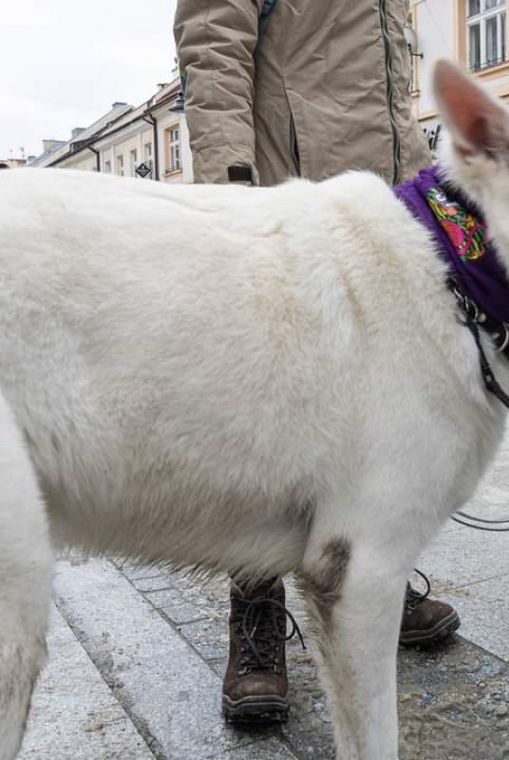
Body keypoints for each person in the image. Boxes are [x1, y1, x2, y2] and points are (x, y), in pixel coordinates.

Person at [173, 0, 460, 725]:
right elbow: (213, 39)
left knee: (381, 412)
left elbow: (389, 88)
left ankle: (373, 578)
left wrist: (426, 188)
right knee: (266, 409)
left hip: (385, 207)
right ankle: (257, 605)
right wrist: (231, 188)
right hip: (289, 200)